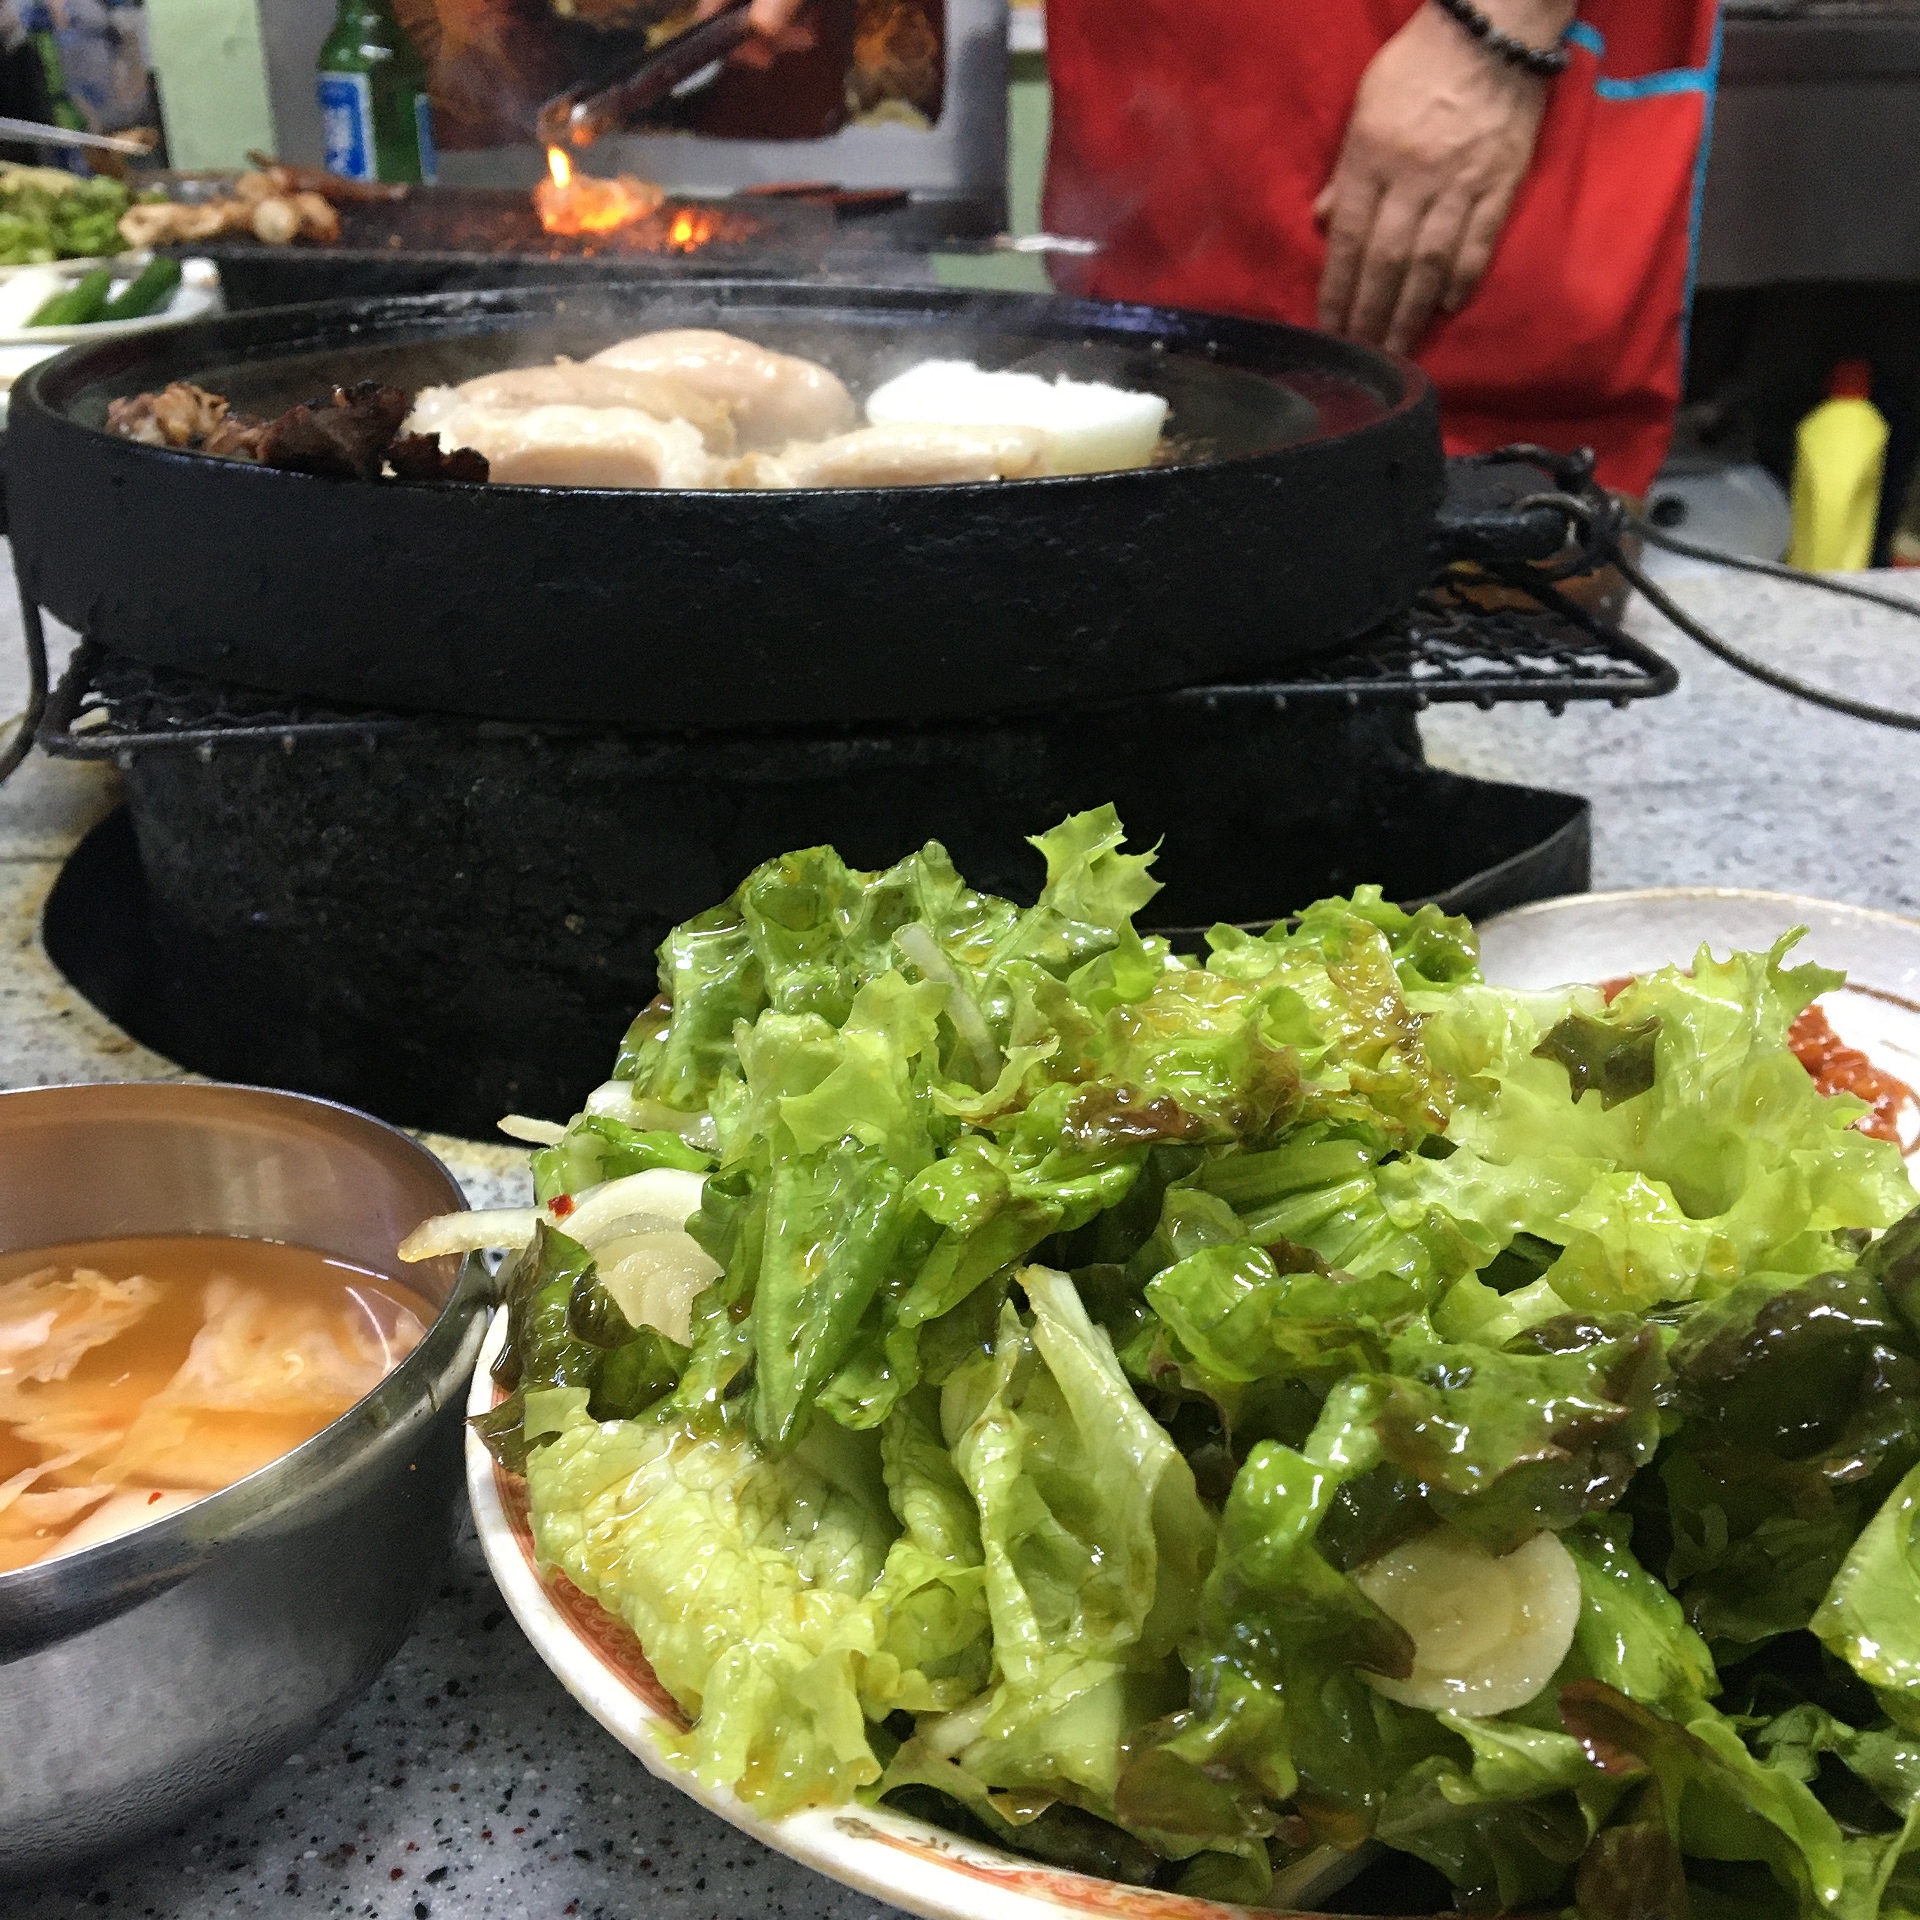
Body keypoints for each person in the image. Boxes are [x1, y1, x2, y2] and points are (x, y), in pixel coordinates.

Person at [706, 0, 1719, 500]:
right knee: (1156, 440)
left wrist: (1495, 29)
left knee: (1454, 531)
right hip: (1173, 78)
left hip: (1442, 49)